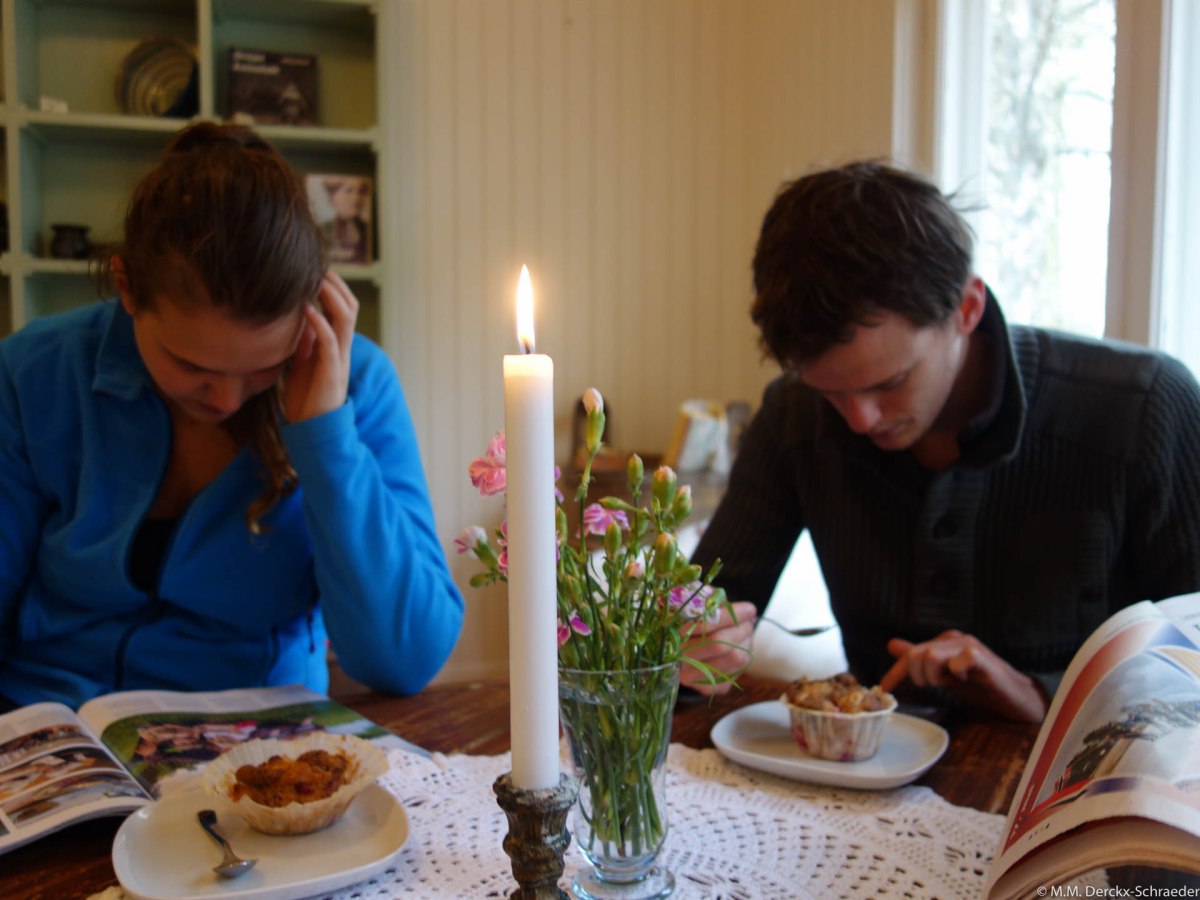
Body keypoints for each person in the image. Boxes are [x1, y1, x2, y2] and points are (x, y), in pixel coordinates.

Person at [688, 160, 1200, 721]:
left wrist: (1042, 696)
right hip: (861, 766)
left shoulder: (1144, 409)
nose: (859, 419)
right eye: (831, 392)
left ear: (966, 308)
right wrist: (695, 645)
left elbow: (1192, 664)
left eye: (890, 383)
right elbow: (705, 609)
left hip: (1086, 764)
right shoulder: (793, 414)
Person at [0, 122, 463, 712]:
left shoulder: (357, 382)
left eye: (262, 368)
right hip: (51, 720)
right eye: (190, 365)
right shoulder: (34, 371)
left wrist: (324, 434)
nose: (224, 400)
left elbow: (406, 660)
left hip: (261, 737)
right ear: (126, 288)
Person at [317, 175, 372, 264]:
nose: (356, 198)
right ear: (332, 197)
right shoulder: (320, 230)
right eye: (349, 191)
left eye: (361, 191)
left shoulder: (368, 230)